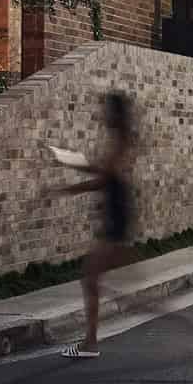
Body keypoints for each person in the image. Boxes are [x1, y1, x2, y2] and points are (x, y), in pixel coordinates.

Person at [56, 92, 135, 359]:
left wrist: (71, 188)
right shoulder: (120, 141)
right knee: (92, 278)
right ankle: (90, 340)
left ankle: (90, 343)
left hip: (117, 217)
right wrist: (79, 164)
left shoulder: (121, 142)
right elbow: (105, 174)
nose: (103, 115)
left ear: (115, 114)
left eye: (106, 110)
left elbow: (104, 179)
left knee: (90, 278)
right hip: (115, 215)